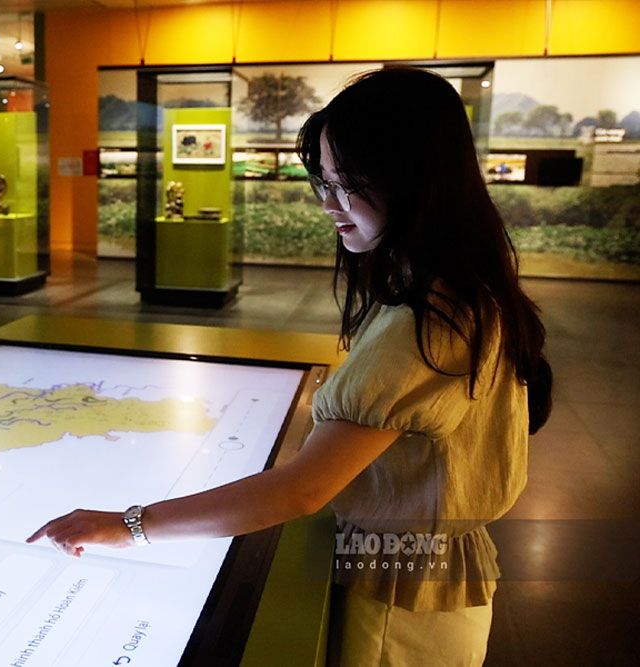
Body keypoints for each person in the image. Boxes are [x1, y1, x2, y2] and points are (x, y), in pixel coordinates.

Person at [28, 66, 552, 666]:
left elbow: (303, 489)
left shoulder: (429, 319)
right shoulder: (458, 290)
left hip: (401, 602)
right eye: (323, 182)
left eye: (348, 184)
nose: (328, 204)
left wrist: (128, 526)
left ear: (413, 181)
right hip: (421, 581)